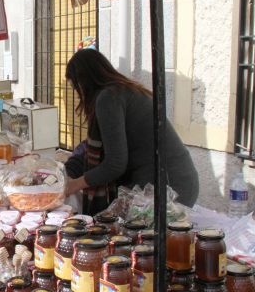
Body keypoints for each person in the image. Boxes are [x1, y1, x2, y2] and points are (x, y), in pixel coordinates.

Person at [63, 48, 199, 215]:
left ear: (84, 82)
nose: (78, 95)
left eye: (76, 86)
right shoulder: (123, 91)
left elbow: (115, 164)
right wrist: (70, 171)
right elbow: (96, 147)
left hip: (169, 187)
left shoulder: (108, 98)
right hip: (176, 180)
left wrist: (75, 184)